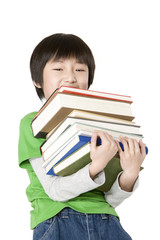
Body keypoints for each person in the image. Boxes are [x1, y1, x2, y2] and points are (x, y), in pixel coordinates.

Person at [18, 33, 146, 240]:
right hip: (58, 220)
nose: (71, 77)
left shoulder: (100, 123)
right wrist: (96, 165)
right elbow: (55, 191)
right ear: (37, 80)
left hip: (108, 221)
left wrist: (129, 175)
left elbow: (109, 199)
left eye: (79, 69)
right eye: (59, 69)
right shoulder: (33, 123)